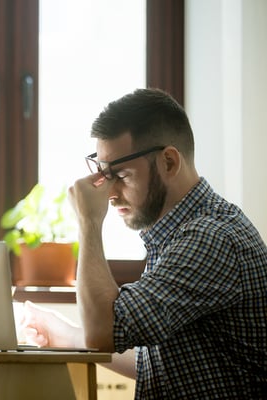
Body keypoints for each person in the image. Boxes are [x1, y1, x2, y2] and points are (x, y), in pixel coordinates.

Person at [22, 88, 267, 398]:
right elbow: (160, 362)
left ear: (168, 162)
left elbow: (103, 333)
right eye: (104, 175)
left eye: (120, 174)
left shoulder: (210, 238)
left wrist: (89, 222)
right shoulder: (178, 235)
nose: (110, 193)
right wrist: (66, 334)